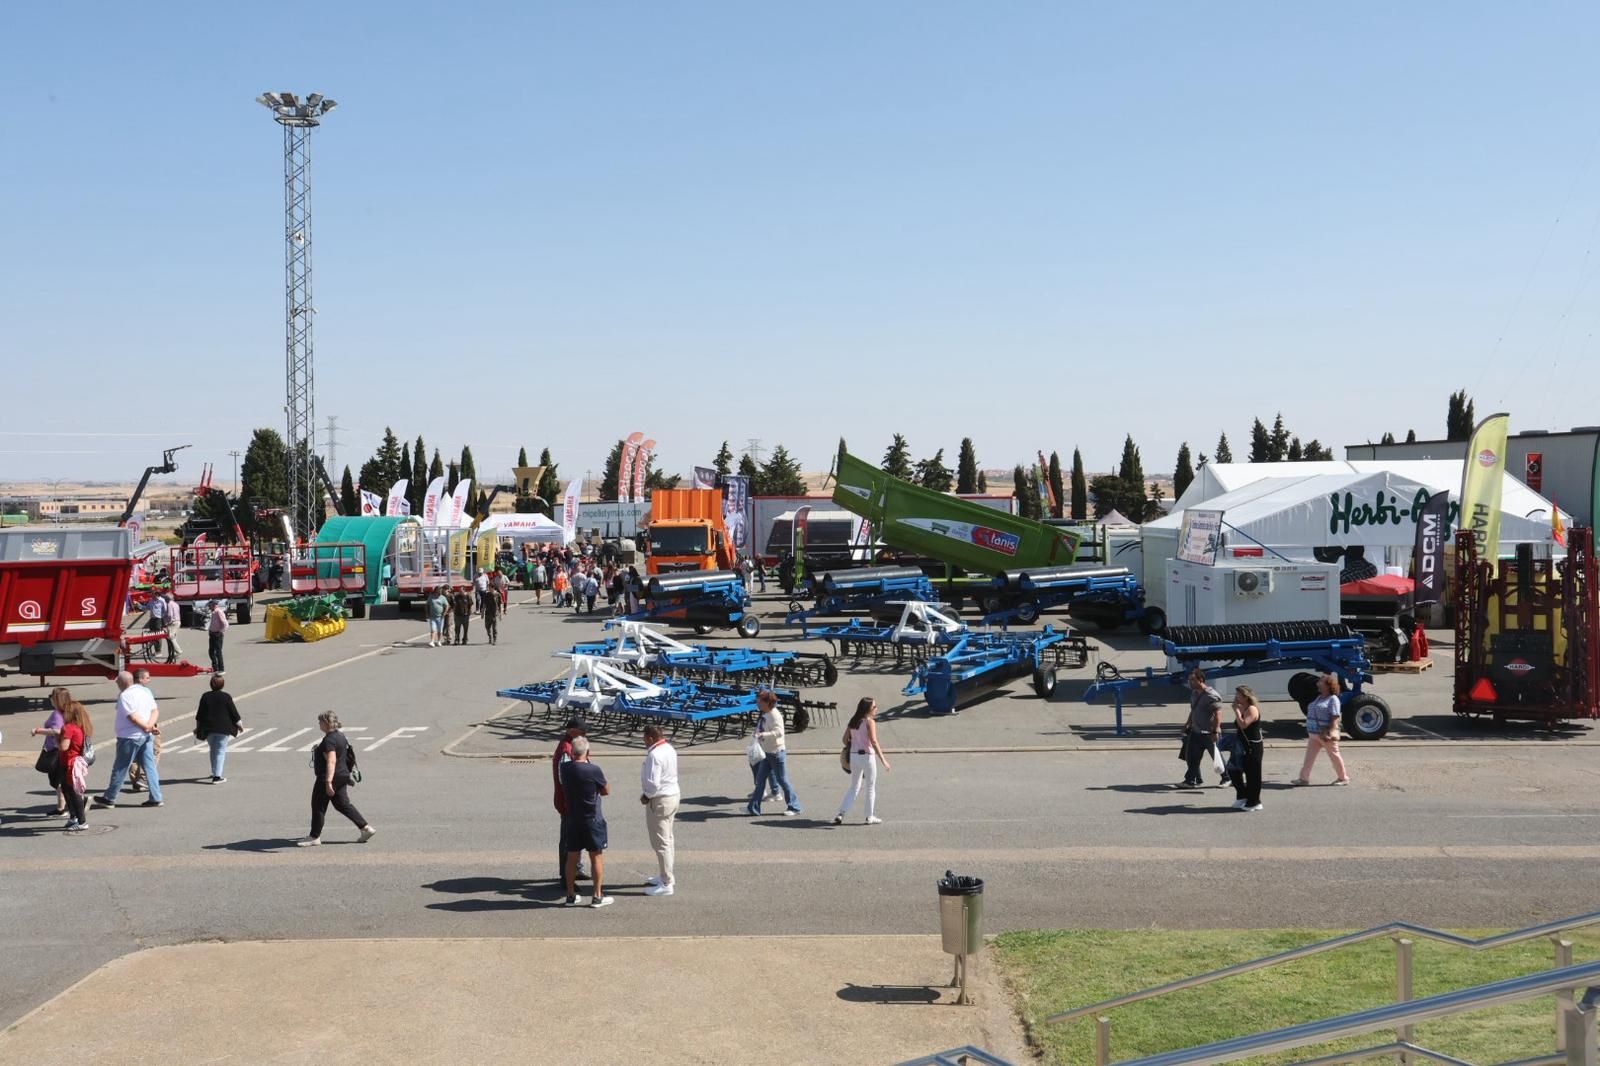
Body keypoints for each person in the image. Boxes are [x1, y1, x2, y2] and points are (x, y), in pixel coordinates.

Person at [297, 711, 376, 846]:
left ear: (326, 723)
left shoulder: (329, 740)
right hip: (342, 775)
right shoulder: (340, 736)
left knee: (318, 805)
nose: (319, 724)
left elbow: (331, 761)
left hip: (329, 777)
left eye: (320, 721)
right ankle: (366, 828)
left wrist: (328, 782)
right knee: (342, 804)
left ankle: (314, 837)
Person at [93, 670, 163, 809]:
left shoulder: (125, 695)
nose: (117, 683)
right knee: (149, 767)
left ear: (122, 682)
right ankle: (156, 797)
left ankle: (110, 797)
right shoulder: (144, 692)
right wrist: (150, 726)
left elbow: (132, 717)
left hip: (129, 737)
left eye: (118, 681)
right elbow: (155, 711)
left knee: (120, 767)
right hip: (146, 736)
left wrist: (146, 727)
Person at [560, 736, 614, 908]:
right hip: (592, 819)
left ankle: (570, 895)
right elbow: (606, 790)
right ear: (587, 752)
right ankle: (597, 895)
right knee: (596, 856)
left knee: (572, 857)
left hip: (573, 818)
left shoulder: (565, 768)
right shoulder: (593, 770)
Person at [35, 701, 93, 831]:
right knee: (66, 789)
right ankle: (74, 817)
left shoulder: (69, 728)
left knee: (72, 792)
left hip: (69, 763)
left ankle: (81, 821)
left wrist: (56, 738)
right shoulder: (81, 726)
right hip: (73, 762)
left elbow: (63, 746)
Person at [834, 697, 890, 825]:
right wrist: (883, 760)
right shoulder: (870, 722)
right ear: (868, 709)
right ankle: (869, 816)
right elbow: (874, 742)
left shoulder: (853, 721)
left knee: (854, 787)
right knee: (870, 787)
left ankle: (841, 813)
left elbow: (844, 739)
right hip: (867, 756)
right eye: (874, 707)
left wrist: (854, 742)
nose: (876, 709)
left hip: (854, 756)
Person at [639, 723, 679, 897]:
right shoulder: (669, 748)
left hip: (660, 799)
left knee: (661, 843)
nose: (644, 741)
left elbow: (653, 783)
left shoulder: (654, 755)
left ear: (650, 738)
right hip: (673, 795)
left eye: (644, 738)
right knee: (668, 839)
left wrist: (646, 796)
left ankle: (666, 882)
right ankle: (666, 875)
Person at [747, 689, 801, 816]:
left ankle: (795, 806)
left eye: (759, 701)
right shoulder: (766, 713)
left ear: (767, 702)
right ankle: (753, 808)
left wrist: (762, 734)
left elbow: (779, 732)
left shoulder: (774, 715)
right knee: (760, 781)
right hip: (766, 752)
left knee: (783, 780)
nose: (757, 703)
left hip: (776, 753)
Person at [1294, 673, 1351, 786]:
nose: (1317, 683)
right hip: (1314, 734)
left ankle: (1343, 778)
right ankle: (1304, 778)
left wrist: (1331, 731)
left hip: (1325, 734)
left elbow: (1335, 716)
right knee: (1309, 758)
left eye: (1320, 681)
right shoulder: (1319, 697)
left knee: (1334, 756)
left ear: (1328, 685)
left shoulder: (1333, 699)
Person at [552, 716, 588, 882]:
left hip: (573, 802)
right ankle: (566, 876)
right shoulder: (566, 749)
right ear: (572, 730)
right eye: (582, 731)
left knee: (577, 837)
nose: (584, 734)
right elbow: (564, 779)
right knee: (568, 841)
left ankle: (576, 869)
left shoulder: (570, 745)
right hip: (569, 803)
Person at [194, 674, 243, 783]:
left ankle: (214, 771)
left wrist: (198, 728)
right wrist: (239, 724)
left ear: (211, 684)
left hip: (209, 728)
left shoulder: (205, 696)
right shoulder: (226, 696)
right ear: (222, 685)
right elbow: (233, 712)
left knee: (213, 750)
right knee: (220, 751)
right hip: (223, 728)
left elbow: (199, 715)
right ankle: (217, 776)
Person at [1180, 668, 1223, 788]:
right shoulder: (1194, 693)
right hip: (1196, 731)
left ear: (1201, 680)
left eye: (1193, 680)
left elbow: (1218, 713)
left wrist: (1215, 730)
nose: (1190, 683)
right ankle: (1190, 780)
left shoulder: (1210, 695)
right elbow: (1193, 710)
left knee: (1216, 756)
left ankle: (1226, 778)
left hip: (1208, 732)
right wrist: (1187, 723)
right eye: (1189, 680)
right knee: (1192, 758)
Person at [33, 687, 71, 814]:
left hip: (56, 750)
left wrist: (38, 730)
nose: (49, 698)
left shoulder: (57, 714)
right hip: (65, 748)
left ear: (57, 699)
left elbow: (57, 731)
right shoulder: (69, 711)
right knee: (60, 780)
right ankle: (61, 807)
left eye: (52, 696)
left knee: (59, 780)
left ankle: (73, 804)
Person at [126, 667, 162, 793]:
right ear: (140, 679)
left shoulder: (127, 693)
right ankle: (144, 778)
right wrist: (153, 726)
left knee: (135, 755)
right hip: (147, 724)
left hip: (132, 728)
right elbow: (152, 710)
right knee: (154, 751)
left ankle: (136, 780)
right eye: (147, 677)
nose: (149, 679)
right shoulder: (146, 692)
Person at [1229, 684, 1265, 811]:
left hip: (1252, 746)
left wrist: (1237, 711)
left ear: (1245, 696)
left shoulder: (1251, 709)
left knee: (1252, 774)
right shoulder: (1243, 708)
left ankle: (1254, 801)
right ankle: (1242, 795)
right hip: (1241, 745)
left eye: (1238, 695)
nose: (1235, 697)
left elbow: (1244, 725)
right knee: (1232, 769)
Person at [206, 600, 228, 674]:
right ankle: (215, 668)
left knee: (218, 652)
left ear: (214, 605)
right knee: (211, 651)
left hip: (217, 634)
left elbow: (225, 623)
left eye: (209, 605)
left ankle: (221, 669)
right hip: (212, 634)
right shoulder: (214, 612)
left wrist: (220, 631)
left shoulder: (219, 612)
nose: (209, 607)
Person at [163, 589, 184, 663]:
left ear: (167, 598)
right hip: (178, 621)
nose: (164, 599)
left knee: (170, 637)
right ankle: (175, 651)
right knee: (174, 637)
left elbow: (170, 615)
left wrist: (167, 622)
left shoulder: (169, 604)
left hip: (173, 622)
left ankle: (178, 651)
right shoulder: (176, 604)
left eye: (165, 598)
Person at [481, 581, 502, 646]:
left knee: (494, 628)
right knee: (487, 627)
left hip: (494, 613)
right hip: (487, 613)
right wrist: (482, 612)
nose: (488, 589)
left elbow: (500, 605)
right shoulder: (487, 594)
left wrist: (500, 614)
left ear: (493, 588)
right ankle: (490, 636)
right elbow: (484, 604)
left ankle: (494, 639)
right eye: (488, 587)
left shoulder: (498, 595)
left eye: (489, 587)